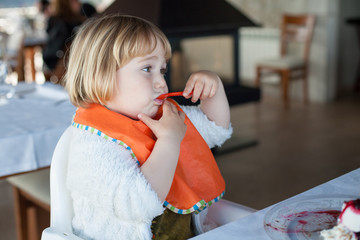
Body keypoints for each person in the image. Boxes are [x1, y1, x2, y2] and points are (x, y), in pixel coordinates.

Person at [64, 14, 232, 240]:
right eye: (147, 69)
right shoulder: (92, 143)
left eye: (162, 70)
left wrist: (214, 87)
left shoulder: (163, 116)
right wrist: (169, 139)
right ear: (101, 74)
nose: (162, 82)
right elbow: (138, 204)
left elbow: (215, 128)